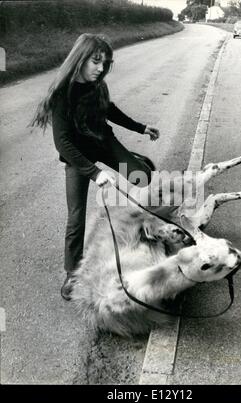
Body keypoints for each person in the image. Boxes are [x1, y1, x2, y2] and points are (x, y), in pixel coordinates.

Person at [31, 33, 160, 301]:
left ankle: (131, 159)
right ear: (80, 59)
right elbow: (62, 143)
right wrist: (95, 172)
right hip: (77, 158)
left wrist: (141, 127)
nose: (101, 69)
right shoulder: (61, 95)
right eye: (96, 61)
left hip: (103, 143)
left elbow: (110, 110)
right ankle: (71, 272)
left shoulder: (97, 86)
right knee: (76, 218)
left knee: (142, 176)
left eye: (105, 63)